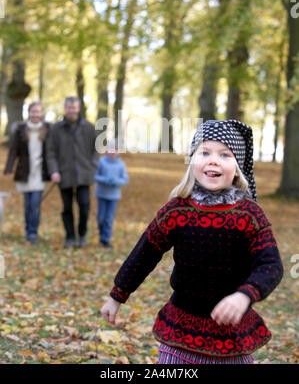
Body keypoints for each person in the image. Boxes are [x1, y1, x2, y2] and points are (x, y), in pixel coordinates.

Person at [100, 119, 284, 364]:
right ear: (192, 161)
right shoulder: (176, 210)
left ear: (237, 168)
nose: (213, 160)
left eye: (225, 155)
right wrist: (117, 295)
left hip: (232, 337)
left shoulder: (249, 215)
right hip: (181, 332)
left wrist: (244, 295)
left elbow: (270, 265)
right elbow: (144, 253)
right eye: (204, 152)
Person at [46, 97, 98, 248]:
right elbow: (50, 153)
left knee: (84, 205)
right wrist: (54, 171)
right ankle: (69, 237)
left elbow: (96, 150)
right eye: (69, 108)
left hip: (84, 174)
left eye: (74, 107)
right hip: (64, 174)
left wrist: (92, 166)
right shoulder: (56, 129)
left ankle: (82, 235)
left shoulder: (89, 127)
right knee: (67, 207)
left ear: (79, 108)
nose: (72, 110)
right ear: (65, 108)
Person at [4, 102, 51, 244]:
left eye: (38, 112)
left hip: (39, 173)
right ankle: (28, 230)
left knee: (35, 204)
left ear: (41, 113)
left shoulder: (47, 129)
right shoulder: (21, 129)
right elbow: (14, 150)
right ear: (29, 113)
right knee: (27, 205)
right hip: (25, 173)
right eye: (33, 112)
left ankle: (33, 233)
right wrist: (9, 167)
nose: (35, 114)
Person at [94, 139, 129, 248]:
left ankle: (106, 239)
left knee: (109, 218)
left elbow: (125, 179)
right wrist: (105, 180)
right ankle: (101, 233)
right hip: (102, 194)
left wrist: (117, 181)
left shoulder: (121, 165)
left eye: (116, 150)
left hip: (114, 196)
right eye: (111, 149)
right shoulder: (101, 162)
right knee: (101, 218)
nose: (113, 152)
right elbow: (95, 176)